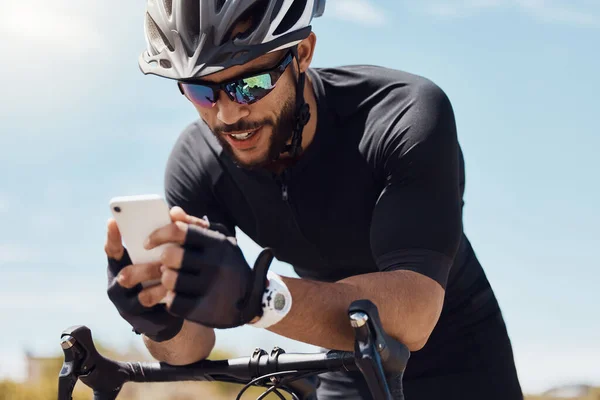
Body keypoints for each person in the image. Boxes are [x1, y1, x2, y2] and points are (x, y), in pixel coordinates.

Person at [104, 0, 524, 398]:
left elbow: (415, 315)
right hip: (344, 362)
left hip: (461, 358)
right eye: (201, 92)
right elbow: (190, 349)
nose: (227, 115)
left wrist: (257, 296)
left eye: (249, 84)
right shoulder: (196, 163)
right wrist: (159, 320)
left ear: (302, 53)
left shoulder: (403, 112)